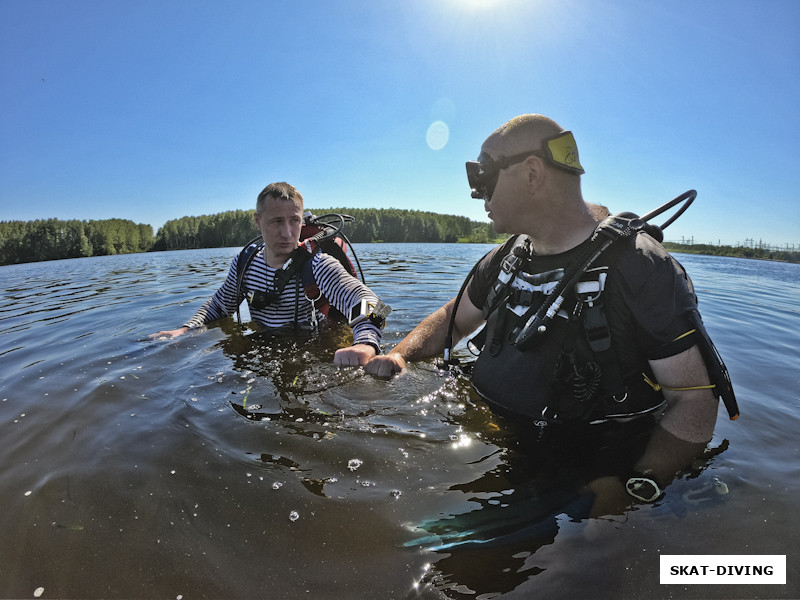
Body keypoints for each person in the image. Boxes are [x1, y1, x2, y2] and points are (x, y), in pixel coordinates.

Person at [366, 114, 735, 516]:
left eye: (484, 176)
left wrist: (638, 484)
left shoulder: (642, 269)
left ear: (532, 172)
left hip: (585, 471)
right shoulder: (506, 257)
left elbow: (695, 401)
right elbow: (453, 316)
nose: (478, 194)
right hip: (491, 442)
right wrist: (399, 355)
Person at [150, 182, 387, 367]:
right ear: (258, 221)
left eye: (294, 221)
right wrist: (184, 330)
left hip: (308, 346)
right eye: (276, 221)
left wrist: (366, 344)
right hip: (263, 344)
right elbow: (220, 305)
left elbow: (375, 305)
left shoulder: (316, 265)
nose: (287, 233)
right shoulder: (245, 262)